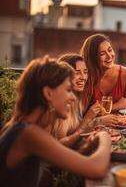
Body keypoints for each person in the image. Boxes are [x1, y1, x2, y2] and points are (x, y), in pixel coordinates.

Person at [0, 56, 111, 187]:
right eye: (68, 90)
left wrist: (86, 148)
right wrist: (104, 137)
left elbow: (56, 161)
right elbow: (97, 170)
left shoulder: (21, 125)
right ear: (48, 93)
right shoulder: (29, 133)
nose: (73, 98)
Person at [52, 54, 117, 149]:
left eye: (85, 72)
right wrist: (96, 121)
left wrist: (90, 117)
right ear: (63, 75)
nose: (83, 77)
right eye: (77, 73)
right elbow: (60, 145)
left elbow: (75, 132)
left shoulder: (77, 98)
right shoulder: (62, 104)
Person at [80, 34, 126, 112]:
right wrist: (115, 106)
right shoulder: (85, 76)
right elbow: (82, 113)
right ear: (93, 57)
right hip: (94, 124)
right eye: (102, 54)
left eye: (110, 50)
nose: (109, 56)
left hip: (118, 123)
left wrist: (101, 109)